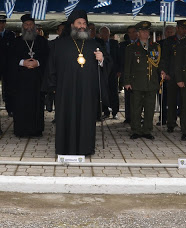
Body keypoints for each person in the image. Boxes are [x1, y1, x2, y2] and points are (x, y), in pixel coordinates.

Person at [46, 9, 108, 156]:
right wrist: (53, 87)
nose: (82, 26)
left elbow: (106, 67)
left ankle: (85, 149)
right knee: (66, 119)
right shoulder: (59, 45)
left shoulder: (94, 45)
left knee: (86, 119)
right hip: (65, 91)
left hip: (87, 91)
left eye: (84, 23)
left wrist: (102, 60)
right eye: (79, 23)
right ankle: (65, 149)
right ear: (72, 25)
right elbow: (51, 67)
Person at [8, 14, 49, 137]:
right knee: (21, 105)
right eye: (26, 25)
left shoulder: (42, 41)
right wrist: (22, 62)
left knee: (37, 105)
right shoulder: (16, 42)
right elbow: (10, 59)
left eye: (31, 24)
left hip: (37, 80)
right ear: (22, 27)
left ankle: (37, 130)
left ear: (35, 26)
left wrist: (38, 62)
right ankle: (21, 130)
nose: (29, 27)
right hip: (21, 81)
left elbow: (48, 57)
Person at [124, 21, 162, 140]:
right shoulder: (131, 48)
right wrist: (126, 82)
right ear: (138, 33)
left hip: (151, 82)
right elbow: (127, 66)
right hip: (137, 83)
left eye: (147, 31)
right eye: (143, 31)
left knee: (150, 108)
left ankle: (147, 130)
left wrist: (163, 71)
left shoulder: (156, 47)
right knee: (136, 108)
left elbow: (160, 63)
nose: (146, 33)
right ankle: (136, 130)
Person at [160, 22, 186, 133]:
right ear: (177, 28)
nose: (184, 30)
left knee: (184, 102)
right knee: (171, 101)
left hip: (184, 76)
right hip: (172, 76)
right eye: (182, 28)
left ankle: (185, 124)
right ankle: (171, 123)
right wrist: (165, 72)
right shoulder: (169, 41)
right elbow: (164, 58)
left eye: (185, 28)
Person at [98, 26, 120, 119]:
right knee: (104, 91)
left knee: (114, 91)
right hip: (103, 71)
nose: (105, 35)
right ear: (100, 34)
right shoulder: (98, 43)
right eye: (103, 33)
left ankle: (115, 112)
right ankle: (105, 111)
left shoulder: (114, 43)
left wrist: (119, 70)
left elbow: (119, 57)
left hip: (114, 71)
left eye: (107, 33)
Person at [0, 14, 16, 116]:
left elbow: (12, 50)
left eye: (3, 22)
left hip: (7, 65)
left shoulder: (10, 35)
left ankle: (10, 109)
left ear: (5, 24)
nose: (1, 24)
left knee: (8, 88)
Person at [119, 25, 138, 124]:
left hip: (139, 75)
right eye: (130, 32)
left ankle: (138, 116)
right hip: (127, 73)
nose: (132, 34)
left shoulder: (142, 44)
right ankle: (129, 117)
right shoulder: (123, 45)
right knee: (128, 97)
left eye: (134, 31)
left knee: (138, 97)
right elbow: (120, 59)